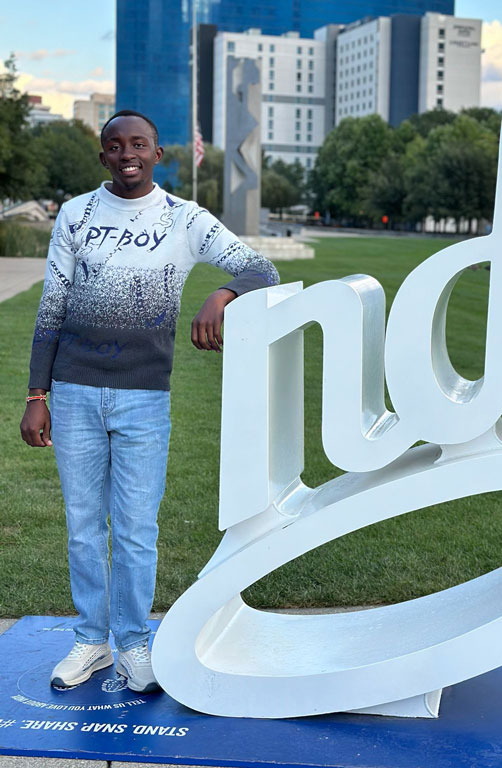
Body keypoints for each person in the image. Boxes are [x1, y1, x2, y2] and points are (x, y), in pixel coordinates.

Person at [19, 110, 279, 693]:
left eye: (139, 143)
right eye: (115, 145)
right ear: (104, 155)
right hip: (77, 392)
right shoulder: (76, 214)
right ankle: (92, 642)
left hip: (143, 399)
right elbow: (51, 310)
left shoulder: (184, 219)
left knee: (136, 530)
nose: (127, 152)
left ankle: (135, 644)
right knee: (84, 528)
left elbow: (262, 267)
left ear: (158, 153)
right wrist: (39, 395)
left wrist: (222, 292)